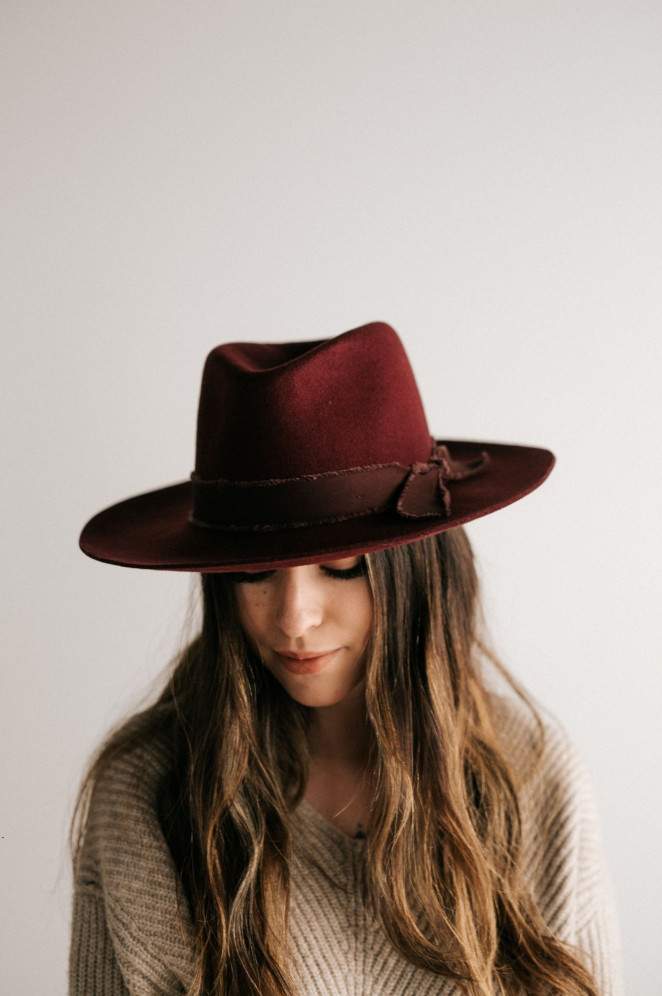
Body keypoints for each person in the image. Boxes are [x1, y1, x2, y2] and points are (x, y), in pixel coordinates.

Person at [68, 321, 624, 996]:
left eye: (341, 566)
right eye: (252, 573)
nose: (293, 618)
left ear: (415, 569)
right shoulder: (149, 792)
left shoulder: (531, 775)